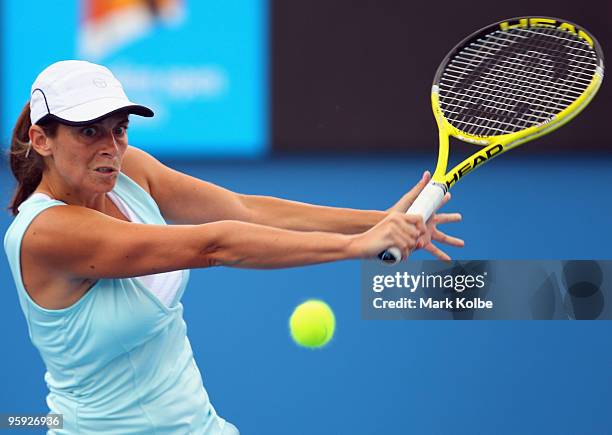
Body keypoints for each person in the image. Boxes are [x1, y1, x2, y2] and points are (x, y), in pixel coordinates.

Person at [3, 60, 464, 434]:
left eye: (118, 129)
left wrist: (385, 220)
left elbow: (244, 209)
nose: (110, 146)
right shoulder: (48, 234)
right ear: (42, 140)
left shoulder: (129, 172)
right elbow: (215, 244)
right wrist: (356, 245)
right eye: (89, 132)